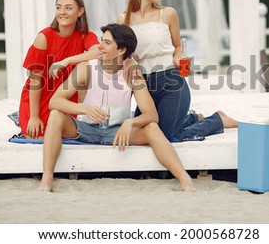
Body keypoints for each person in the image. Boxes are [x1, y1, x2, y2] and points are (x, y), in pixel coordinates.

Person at [38, 23, 196, 192]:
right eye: (101, 40)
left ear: (121, 50)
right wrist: (84, 109)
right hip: (85, 129)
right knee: (55, 115)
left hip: (116, 132)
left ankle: (185, 180)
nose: (100, 46)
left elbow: (152, 115)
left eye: (107, 43)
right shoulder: (87, 67)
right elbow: (55, 101)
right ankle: (47, 179)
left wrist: (130, 122)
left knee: (152, 128)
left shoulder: (132, 74)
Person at [117, 0, 238, 142]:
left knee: (168, 136)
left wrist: (176, 56)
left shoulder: (167, 13)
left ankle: (217, 120)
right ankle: (192, 118)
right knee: (144, 131)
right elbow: (124, 52)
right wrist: (128, 62)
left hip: (170, 80)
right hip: (143, 86)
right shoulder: (124, 18)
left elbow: (177, 45)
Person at [19, 0, 102, 139]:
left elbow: (98, 52)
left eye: (68, 8)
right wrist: (34, 116)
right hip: (38, 99)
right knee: (38, 137)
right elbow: (35, 81)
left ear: (80, 11)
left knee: (85, 64)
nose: (62, 12)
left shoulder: (84, 35)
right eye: (58, 7)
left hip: (63, 98)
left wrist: (68, 60)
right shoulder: (44, 37)